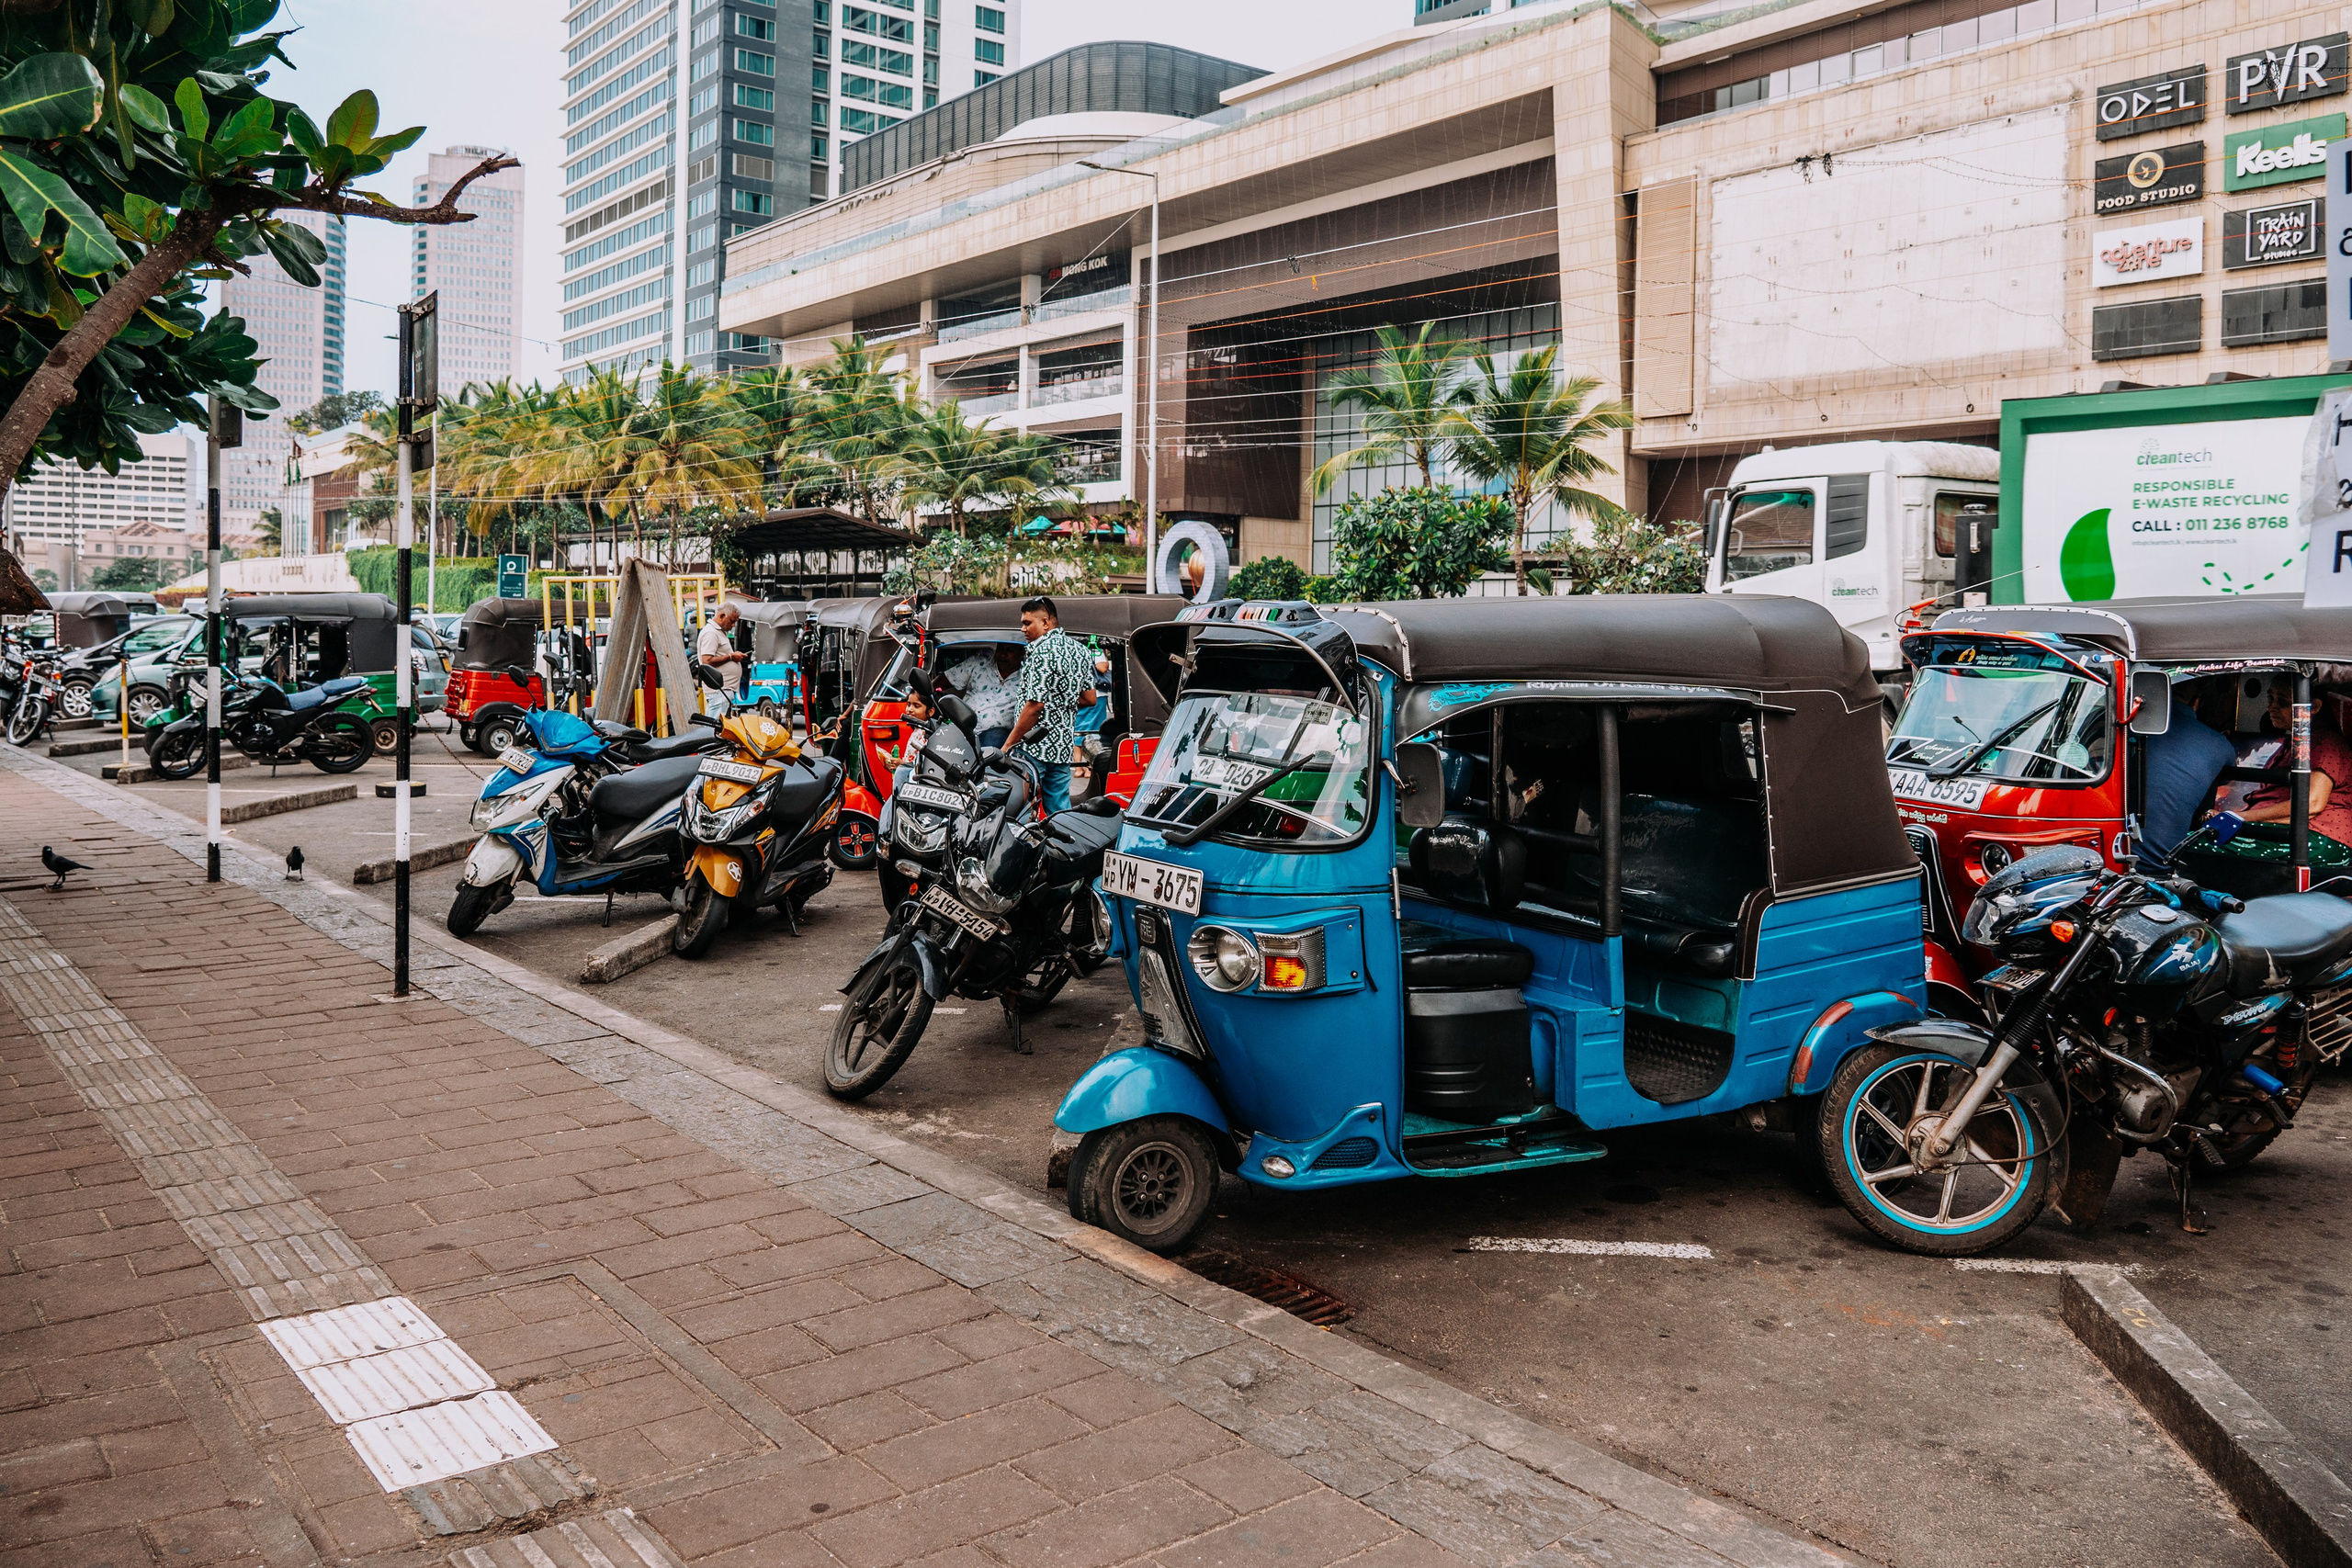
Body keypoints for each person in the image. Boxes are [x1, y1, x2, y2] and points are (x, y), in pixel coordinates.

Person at [1000, 596, 1100, 815]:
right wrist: (1058, 701)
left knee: (1022, 808)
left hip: (1033, 746)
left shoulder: (1040, 651)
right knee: (1059, 811)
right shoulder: (1079, 651)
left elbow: (1035, 706)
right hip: (1062, 746)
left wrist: (1007, 745)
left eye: (1027, 623)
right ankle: (1064, 837)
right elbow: (1089, 698)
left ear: (1045, 622)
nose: (1023, 629)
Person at [2224, 679, 2352, 847]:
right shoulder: (2294, 743)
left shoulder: (2325, 743)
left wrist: (2237, 817)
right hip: (2286, 831)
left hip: (2316, 835)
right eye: (2271, 699)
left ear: (2314, 706)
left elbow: (2311, 804)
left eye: (2283, 702)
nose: (2271, 708)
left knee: (2205, 845)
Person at [2140, 695, 2235, 863]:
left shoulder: (2123, 728)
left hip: (2100, 859)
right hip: (2159, 865)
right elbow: (2226, 779)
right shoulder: (2219, 743)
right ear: (2197, 702)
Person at [945, 644, 1023, 748]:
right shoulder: (978, 664)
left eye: (1010, 650)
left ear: (1022, 653)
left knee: (996, 737)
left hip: (994, 736)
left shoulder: (1026, 677)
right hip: (961, 727)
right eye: (1000, 649)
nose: (1003, 654)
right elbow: (942, 681)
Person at [695, 604, 746, 713]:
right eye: (731, 621)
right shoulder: (711, 633)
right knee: (715, 722)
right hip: (719, 691)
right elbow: (707, 661)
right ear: (722, 616)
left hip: (723, 690)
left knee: (719, 722)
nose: (733, 625)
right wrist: (731, 656)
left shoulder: (719, 632)